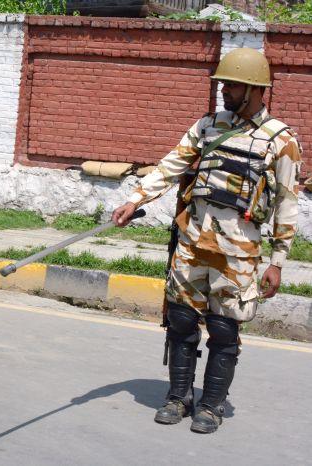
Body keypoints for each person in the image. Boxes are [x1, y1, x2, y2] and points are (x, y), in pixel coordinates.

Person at [111, 48, 302, 433]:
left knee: (224, 328)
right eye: (222, 84)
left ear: (253, 90)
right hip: (193, 242)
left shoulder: (281, 141)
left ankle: (211, 406)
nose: (223, 91)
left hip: (238, 252)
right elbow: (171, 165)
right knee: (180, 321)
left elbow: (287, 203)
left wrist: (278, 260)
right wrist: (135, 199)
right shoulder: (207, 126)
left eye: (230, 85)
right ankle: (178, 397)